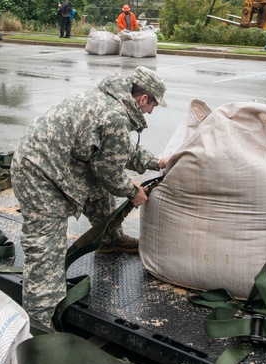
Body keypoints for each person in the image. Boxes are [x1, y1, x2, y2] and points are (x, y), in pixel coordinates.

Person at [11, 66, 169, 326]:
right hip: (40, 178)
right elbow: (108, 170)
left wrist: (158, 162)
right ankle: (40, 328)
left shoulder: (106, 100)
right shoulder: (116, 115)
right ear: (142, 99)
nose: (150, 111)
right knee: (45, 254)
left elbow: (119, 149)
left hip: (59, 164)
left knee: (99, 194)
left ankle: (110, 239)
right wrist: (133, 193)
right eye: (152, 105)